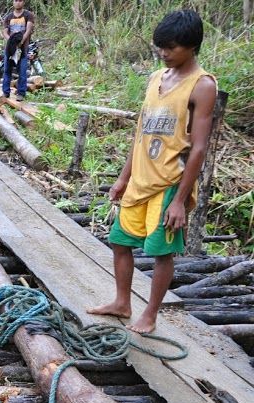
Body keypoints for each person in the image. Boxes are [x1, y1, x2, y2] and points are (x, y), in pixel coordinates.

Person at [88, 9, 216, 334]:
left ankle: (150, 315)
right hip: (140, 178)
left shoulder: (201, 86)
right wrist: (123, 177)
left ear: (191, 46)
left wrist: (180, 201)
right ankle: (122, 302)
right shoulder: (156, 78)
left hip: (169, 183)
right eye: (160, 46)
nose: (164, 53)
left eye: (171, 47)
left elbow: (199, 147)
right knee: (120, 241)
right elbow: (141, 132)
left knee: (161, 252)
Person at [1, 0, 36, 100]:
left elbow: (28, 30)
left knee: (22, 71)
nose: (18, 3)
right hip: (10, 49)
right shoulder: (8, 17)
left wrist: (21, 42)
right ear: (13, 2)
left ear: (23, 2)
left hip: (23, 49)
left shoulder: (28, 15)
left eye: (20, 0)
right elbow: (4, 32)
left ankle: (21, 93)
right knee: (7, 70)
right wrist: (11, 41)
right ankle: (5, 92)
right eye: (16, 0)